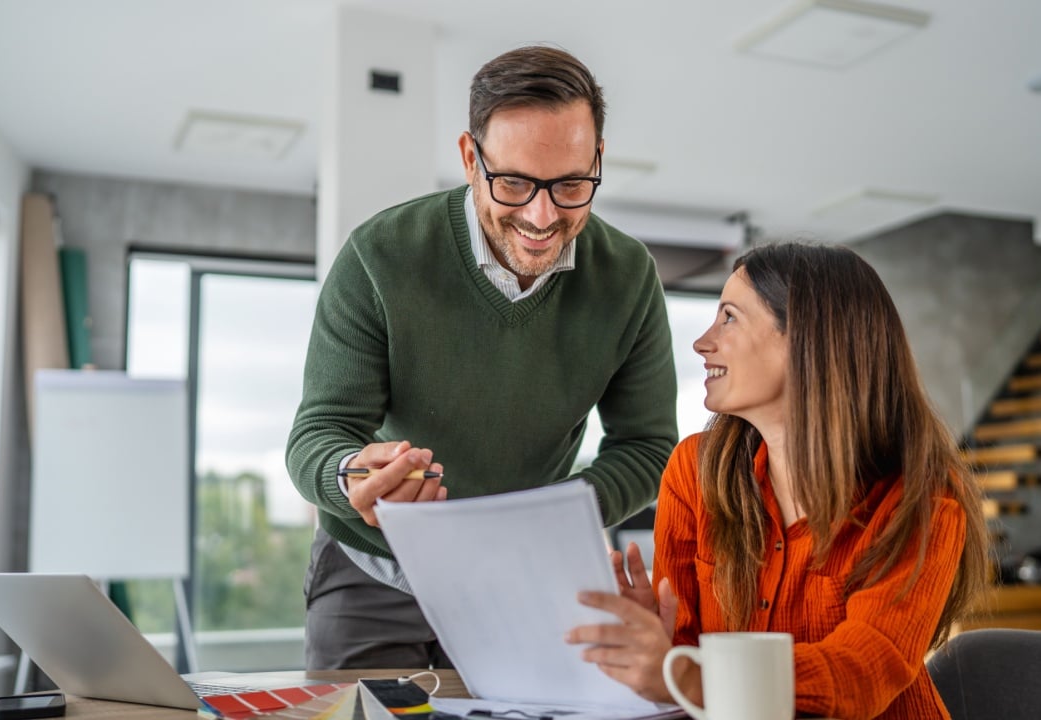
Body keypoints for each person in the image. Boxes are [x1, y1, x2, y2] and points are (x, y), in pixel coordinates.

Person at [286, 45, 678, 670]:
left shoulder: (629, 276)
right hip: (373, 573)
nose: (542, 216)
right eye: (515, 182)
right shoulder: (379, 254)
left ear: (598, 159)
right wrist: (352, 475)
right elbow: (316, 436)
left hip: (524, 580)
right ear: (471, 158)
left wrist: (545, 521)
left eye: (572, 184)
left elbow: (649, 445)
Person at [566, 242, 990, 719]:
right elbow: (681, 661)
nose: (703, 342)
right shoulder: (693, 472)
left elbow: (861, 673)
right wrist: (652, 641)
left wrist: (686, 674)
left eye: (729, 317)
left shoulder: (920, 497)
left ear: (807, 338)